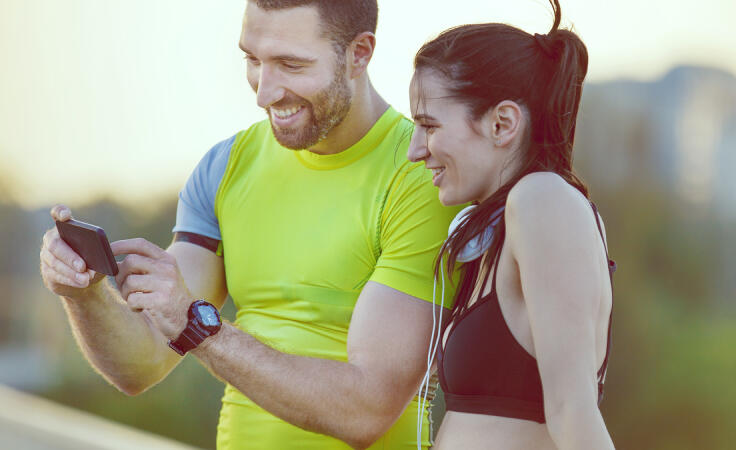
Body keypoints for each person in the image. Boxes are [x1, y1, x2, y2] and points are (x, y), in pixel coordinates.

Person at [39, 1, 462, 448]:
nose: (264, 92)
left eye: (290, 64)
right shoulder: (225, 168)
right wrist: (83, 295)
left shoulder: (425, 177)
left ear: (359, 53)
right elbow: (141, 365)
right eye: (253, 60)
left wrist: (198, 326)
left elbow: (366, 411)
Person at [406, 1, 616, 449]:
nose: (415, 150)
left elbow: (573, 414)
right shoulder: (503, 227)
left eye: (428, 125)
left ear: (502, 124)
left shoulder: (543, 199)